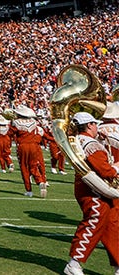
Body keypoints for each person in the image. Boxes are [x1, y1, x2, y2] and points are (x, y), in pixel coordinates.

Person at [62, 111, 118, 275]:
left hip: (92, 188)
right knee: (93, 223)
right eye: (94, 124)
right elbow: (105, 170)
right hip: (94, 191)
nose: (97, 127)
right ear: (89, 125)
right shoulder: (89, 143)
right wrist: (117, 166)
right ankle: (73, 263)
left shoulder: (80, 140)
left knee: (111, 227)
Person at [10, 105, 48, 197]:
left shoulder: (16, 122)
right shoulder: (33, 122)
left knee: (24, 168)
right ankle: (40, 182)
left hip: (23, 146)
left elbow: (10, 133)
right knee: (33, 166)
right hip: (34, 146)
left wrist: (10, 123)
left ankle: (29, 190)